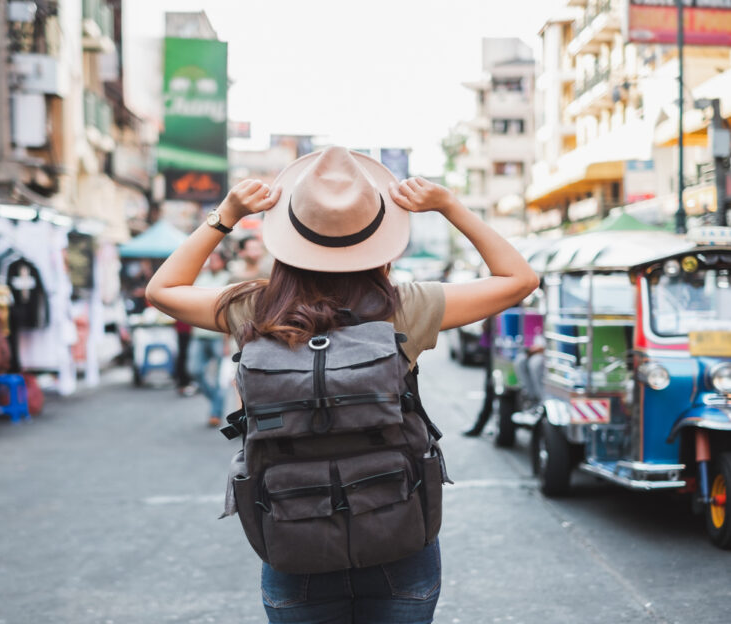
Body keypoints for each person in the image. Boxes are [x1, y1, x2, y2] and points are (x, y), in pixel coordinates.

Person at [145, 146, 538, 623]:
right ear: (379, 239)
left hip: (294, 538)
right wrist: (450, 206)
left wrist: (226, 215)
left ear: (287, 236)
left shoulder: (256, 309)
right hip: (398, 532)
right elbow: (520, 279)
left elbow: (161, 291)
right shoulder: (405, 307)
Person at [188, 252, 230, 426]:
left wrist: (228, 339)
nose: (212, 262)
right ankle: (215, 400)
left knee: (221, 377)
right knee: (194, 370)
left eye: (215, 259)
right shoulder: (202, 278)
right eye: (210, 259)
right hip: (199, 334)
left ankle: (215, 412)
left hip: (219, 335)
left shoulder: (228, 278)